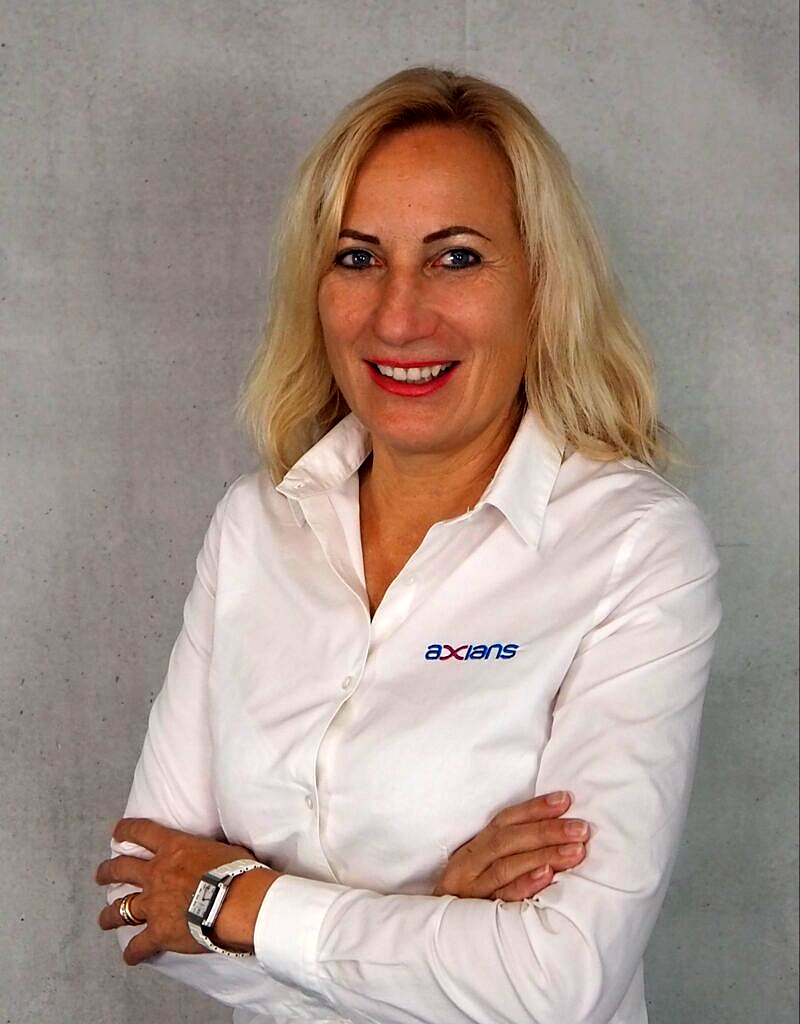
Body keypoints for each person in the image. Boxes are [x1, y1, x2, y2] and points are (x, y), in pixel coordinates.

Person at [95, 66, 722, 1024]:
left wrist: (237, 904)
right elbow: (143, 901)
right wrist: (437, 923)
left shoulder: (635, 548)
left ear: (542, 286)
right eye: (358, 258)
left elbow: (556, 985)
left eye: (456, 258)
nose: (398, 316)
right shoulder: (254, 527)